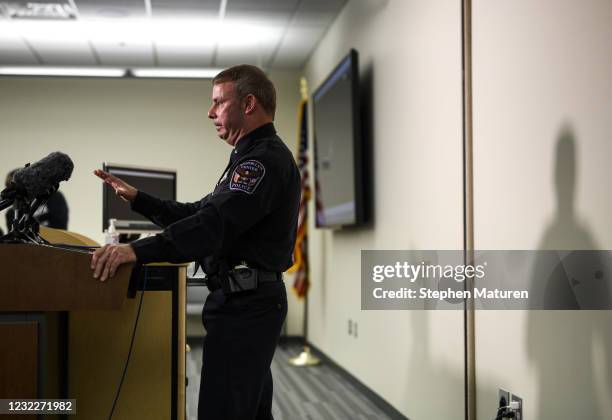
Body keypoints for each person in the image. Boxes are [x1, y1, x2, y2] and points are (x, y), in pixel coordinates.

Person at [91, 64, 301, 420]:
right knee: (248, 410)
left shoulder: (262, 161)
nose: (210, 112)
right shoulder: (249, 156)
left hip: (246, 308)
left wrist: (135, 251)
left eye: (218, 102)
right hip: (244, 305)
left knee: (225, 411)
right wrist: (139, 199)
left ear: (248, 104)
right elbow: (200, 211)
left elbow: (211, 225)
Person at [4, 168, 69, 231]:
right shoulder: (12, 213)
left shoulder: (53, 197)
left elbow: (60, 226)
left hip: (56, 240)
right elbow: (14, 238)